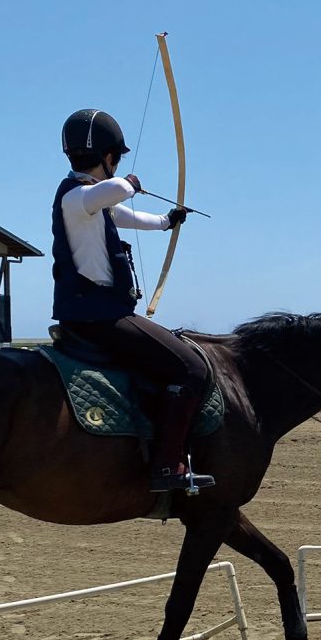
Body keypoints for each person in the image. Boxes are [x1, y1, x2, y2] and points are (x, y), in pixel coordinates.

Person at [51, 108, 213, 493]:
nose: (119, 165)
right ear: (108, 157)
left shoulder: (91, 202)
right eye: (117, 158)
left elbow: (121, 212)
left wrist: (164, 222)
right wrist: (131, 180)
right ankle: (166, 467)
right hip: (100, 318)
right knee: (191, 368)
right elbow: (116, 192)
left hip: (96, 315)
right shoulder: (78, 197)